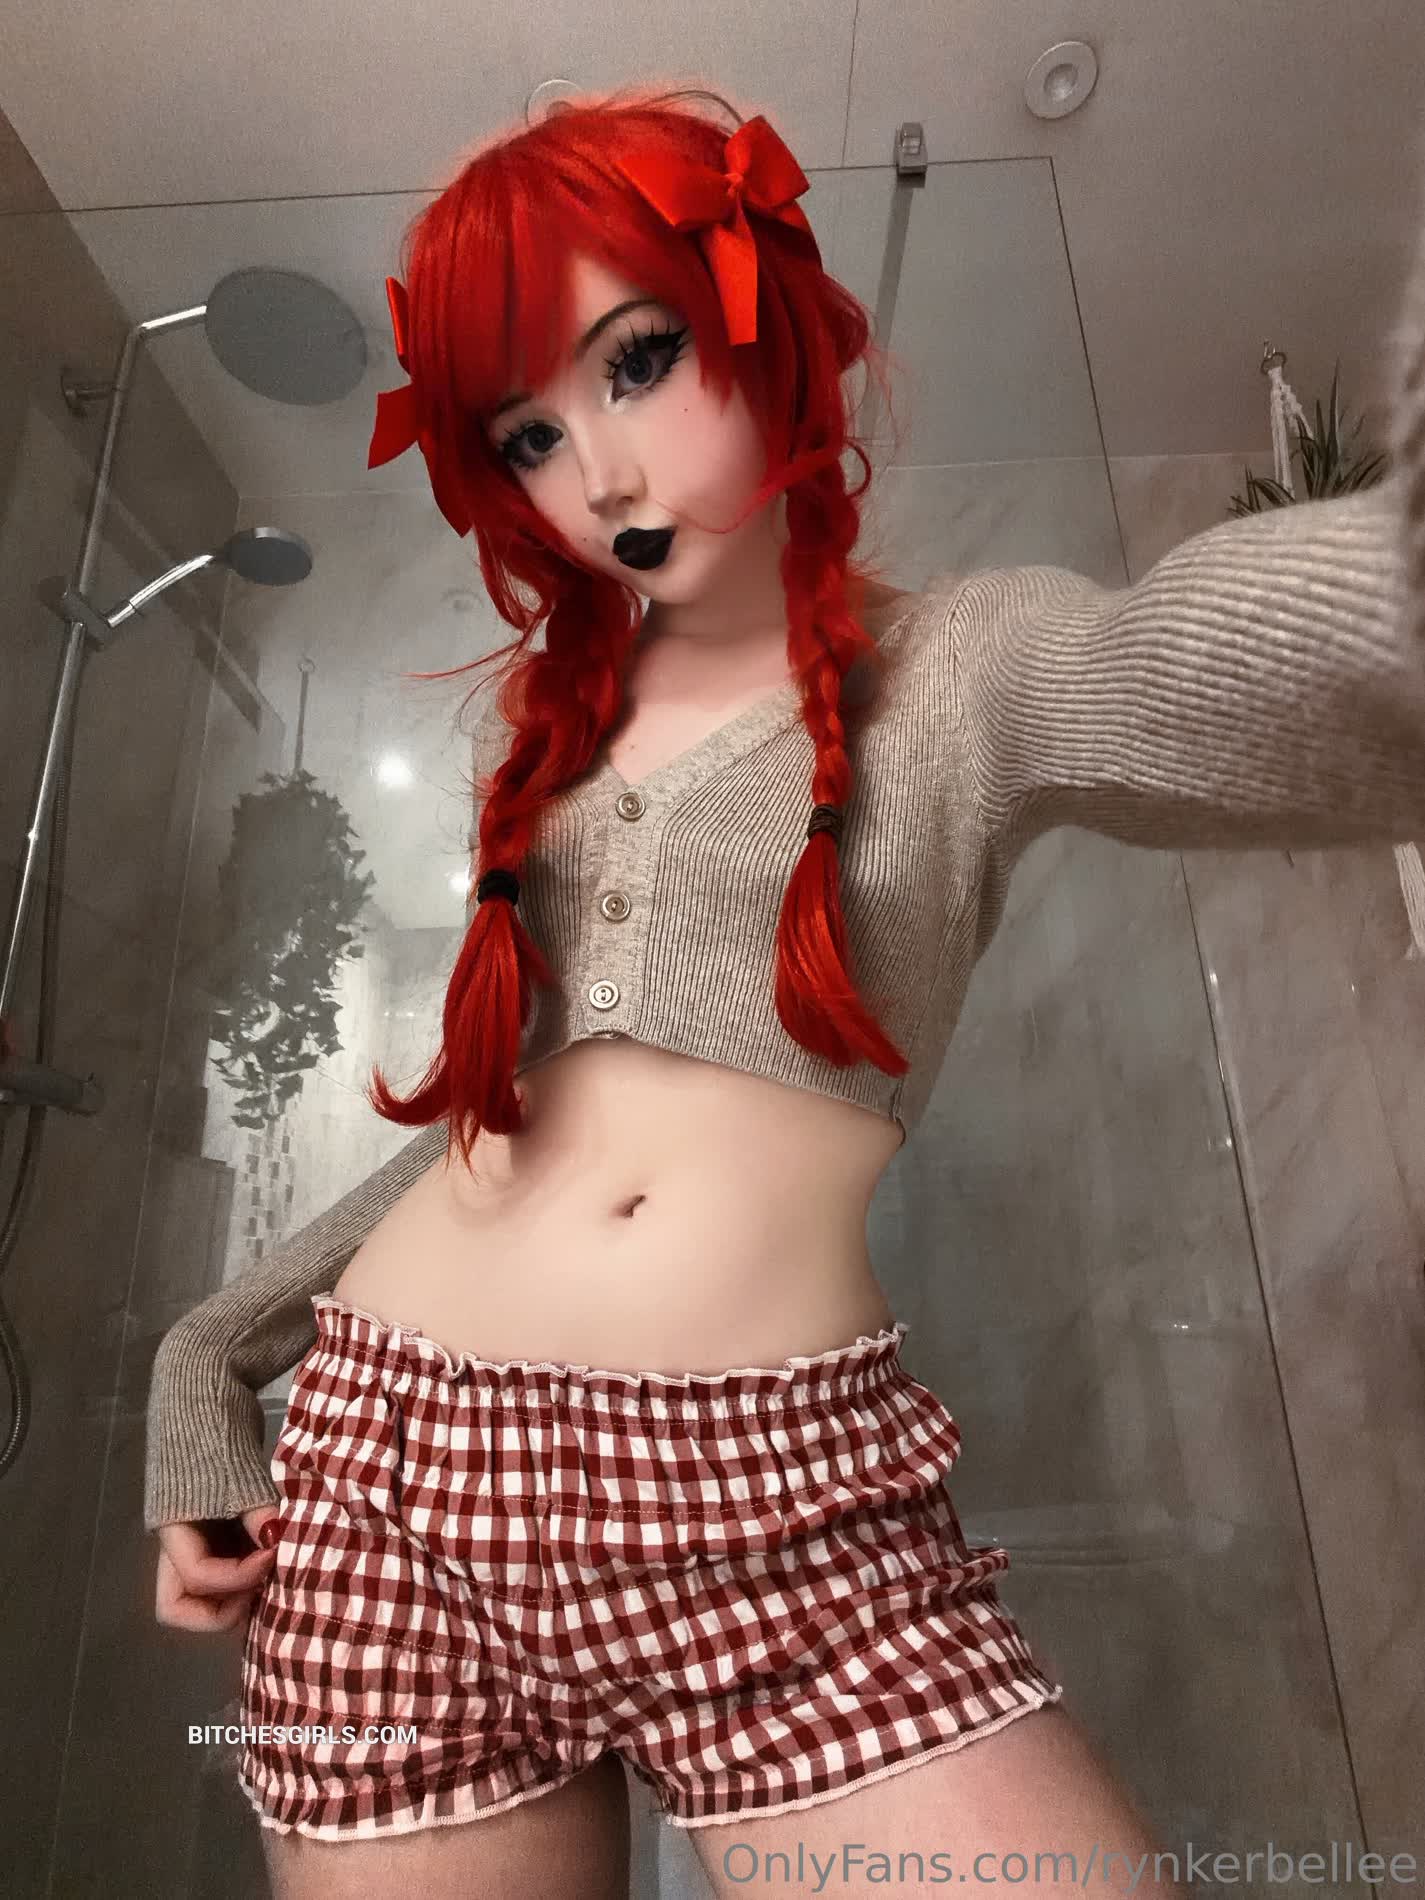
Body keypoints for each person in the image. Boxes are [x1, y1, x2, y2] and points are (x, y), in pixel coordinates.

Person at [145, 86, 1425, 1900]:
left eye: (637, 359)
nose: (598, 474)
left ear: (763, 325)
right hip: (389, 1487)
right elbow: (497, 1135)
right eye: (528, 434)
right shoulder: (549, 761)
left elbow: (1217, 662)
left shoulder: (966, 671)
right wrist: (206, 1355)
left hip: (781, 1506)